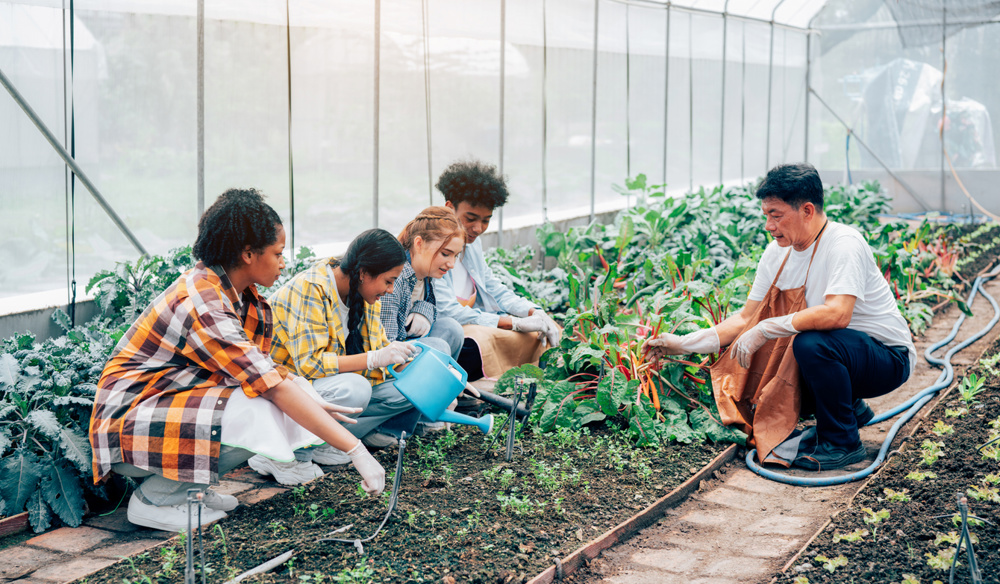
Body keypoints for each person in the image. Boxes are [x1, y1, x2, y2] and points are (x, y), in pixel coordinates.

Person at [89, 188, 385, 532]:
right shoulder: (204, 303)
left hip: (160, 410)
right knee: (258, 407)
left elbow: (267, 370)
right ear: (248, 254)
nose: (283, 262)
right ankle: (156, 498)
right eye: (278, 253)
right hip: (128, 426)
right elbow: (268, 387)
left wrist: (311, 398)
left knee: (268, 399)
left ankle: (189, 490)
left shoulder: (233, 293)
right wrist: (356, 449)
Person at [645, 163, 915, 471]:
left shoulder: (843, 244)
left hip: (887, 360)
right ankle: (850, 411)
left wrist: (768, 327)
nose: (769, 226)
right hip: (846, 358)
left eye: (776, 215)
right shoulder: (778, 253)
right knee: (785, 366)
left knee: (810, 345)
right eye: (766, 216)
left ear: (807, 210)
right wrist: (681, 343)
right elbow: (745, 318)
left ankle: (843, 443)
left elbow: (838, 314)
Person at [257, 229, 420, 483]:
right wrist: (373, 358)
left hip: (315, 388)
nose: (390, 290)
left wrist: (415, 366)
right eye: (388, 281)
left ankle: (321, 442)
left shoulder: (362, 292)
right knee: (355, 388)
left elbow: (379, 346)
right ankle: (281, 454)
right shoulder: (312, 288)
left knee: (409, 390)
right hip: (278, 390)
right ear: (364, 273)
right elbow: (310, 365)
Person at [432, 159, 560, 380]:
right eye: (470, 219)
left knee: (540, 332)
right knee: (473, 349)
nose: (478, 228)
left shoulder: (472, 244)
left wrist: (532, 311)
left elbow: (492, 286)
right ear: (449, 208)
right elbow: (447, 312)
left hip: (478, 327)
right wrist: (513, 323)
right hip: (446, 334)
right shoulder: (432, 247)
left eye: (486, 220)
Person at [379, 206, 466, 362]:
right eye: (445, 254)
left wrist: (423, 309)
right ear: (419, 243)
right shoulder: (394, 280)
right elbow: (385, 347)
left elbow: (432, 308)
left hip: (406, 344)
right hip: (386, 359)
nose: (451, 264)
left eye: (455, 255)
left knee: (452, 329)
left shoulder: (426, 274)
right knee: (438, 347)